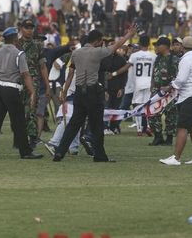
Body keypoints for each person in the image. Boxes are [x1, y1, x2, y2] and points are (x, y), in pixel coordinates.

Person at [52, 25, 137, 162]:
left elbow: (70, 74)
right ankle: (100, 156)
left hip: (79, 91)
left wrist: (65, 91)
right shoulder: (97, 52)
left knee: (73, 124)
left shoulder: (76, 53)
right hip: (93, 91)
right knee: (97, 125)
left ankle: (60, 152)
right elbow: (116, 46)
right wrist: (129, 34)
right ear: (97, 41)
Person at [0, 27, 43, 159]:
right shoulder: (19, 54)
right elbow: (25, 75)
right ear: (15, 39)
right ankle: (25, 152)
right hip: (11, 89)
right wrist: (32, 92)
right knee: (19, 121)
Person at [159, 36, 192, 166]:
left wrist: (169, 87)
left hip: (189, 96)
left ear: (182, 47)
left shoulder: (186, 59)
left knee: (182, 127)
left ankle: (176, 158)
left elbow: (181, 79)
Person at [17, 19, 51, 148]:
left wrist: (47, 86)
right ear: (21, 28)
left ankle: (32, 139)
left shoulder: (37, 46)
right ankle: (21, 137)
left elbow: (42, 67)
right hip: (18, 80)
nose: (30, 30)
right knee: (19, 110)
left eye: (31, 28)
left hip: (33, 81)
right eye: (27, 27)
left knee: (31, 109)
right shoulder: (16, 44)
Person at [147, 37, 179, 146]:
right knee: (152, 113)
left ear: (165, 46)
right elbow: (154, 73)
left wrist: (171, 88)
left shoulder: (174, 60)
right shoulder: (158, 58)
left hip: (169, 90)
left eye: (158, 45)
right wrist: (152, 86)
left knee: (170, 114)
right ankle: (158, 136)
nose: (156, 47)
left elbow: (177, 77)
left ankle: (169, 138)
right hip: (157, 89)